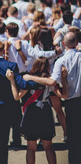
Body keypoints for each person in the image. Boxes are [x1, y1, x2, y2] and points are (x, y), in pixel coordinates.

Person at [22, 32, 81, 164]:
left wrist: (30, 77)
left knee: (74, 139)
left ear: (64, 44)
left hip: (71, 102)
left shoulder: (61, 60)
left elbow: (52, 82)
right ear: (76, 43)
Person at [6, 57, 61, 164]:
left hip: (32, 112)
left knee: (31, 148)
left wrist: (12, 80)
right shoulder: (49, 80)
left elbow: (17, 96)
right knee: (48, 147)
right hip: (45, 111)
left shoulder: (29, 79)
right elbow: (60, 93)